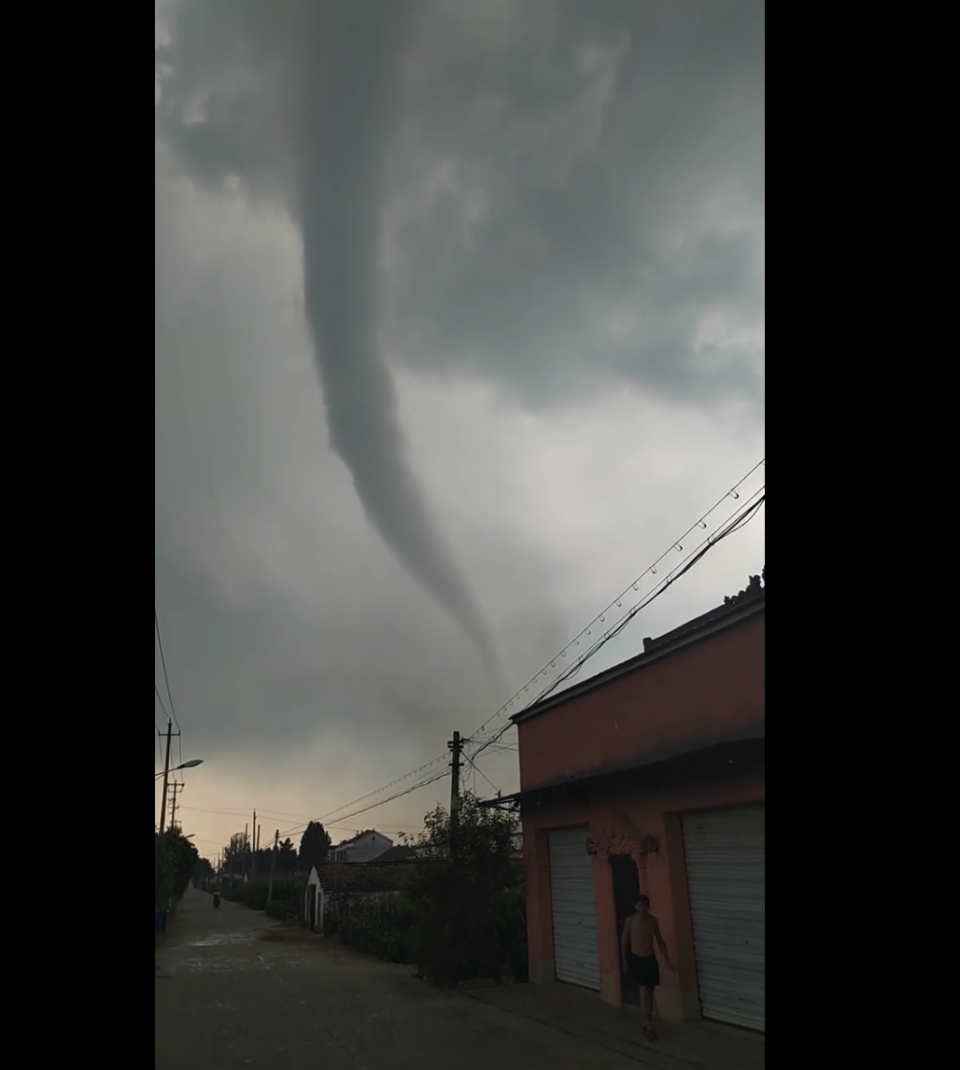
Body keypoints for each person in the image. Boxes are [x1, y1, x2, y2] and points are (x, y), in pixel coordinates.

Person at [621, 894, 674, 1041]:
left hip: (650, 959)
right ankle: (648, 1026)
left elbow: (660, 942)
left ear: (648, 907)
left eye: (644, 906)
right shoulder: (630, 921)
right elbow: (624, 942)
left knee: (650, 994)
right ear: (635, 907)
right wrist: (625, 962)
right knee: (644, 994)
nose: (642, 909)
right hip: (637, 959)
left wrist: (667, 961)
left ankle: (647, 1022)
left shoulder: (652, 921)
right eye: (639, 906)